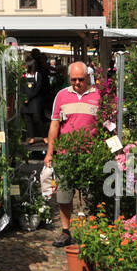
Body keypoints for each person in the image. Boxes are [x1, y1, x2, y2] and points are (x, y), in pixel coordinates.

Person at [42, 61, 101, 247]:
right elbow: (54, 125)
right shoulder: (61, 96)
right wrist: (49, 153)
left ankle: (94, 231)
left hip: (91, 154)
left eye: (81, 79)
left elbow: (107, 125)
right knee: (64, 195)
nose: (77, 83)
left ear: (88, 77)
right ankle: (66, 231)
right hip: (67, 154)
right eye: (73, 79)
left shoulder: (98, 95)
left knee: (91, 194)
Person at [23, 58, 48, 140]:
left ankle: (44, 136)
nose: (25, 67)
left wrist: (29, 98)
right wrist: (24, 98)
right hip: (25, 100)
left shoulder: (37, 75)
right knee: (27, 119)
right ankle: (31, 137)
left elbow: (38, 89)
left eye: (26, 65)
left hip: (35, 101)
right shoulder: (24, 75)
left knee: (37, 119)